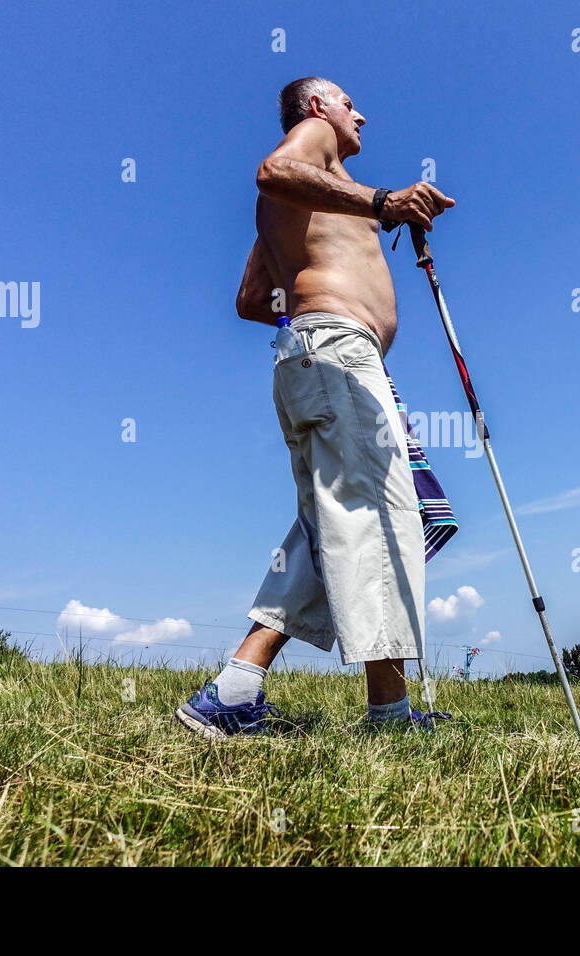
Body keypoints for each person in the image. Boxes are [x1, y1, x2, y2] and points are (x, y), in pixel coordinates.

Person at [175, 76, 457, 740]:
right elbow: (274, 169)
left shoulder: (302, 197)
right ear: (317, 108)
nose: (362, 114)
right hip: (337, 356)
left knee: (330, 526)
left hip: (313, 358)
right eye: (349, 103)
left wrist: (304, 270)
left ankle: (234, 691)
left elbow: (250, 299)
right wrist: (382, 202)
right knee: (378, 520)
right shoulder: (314, 145)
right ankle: (388, 718)